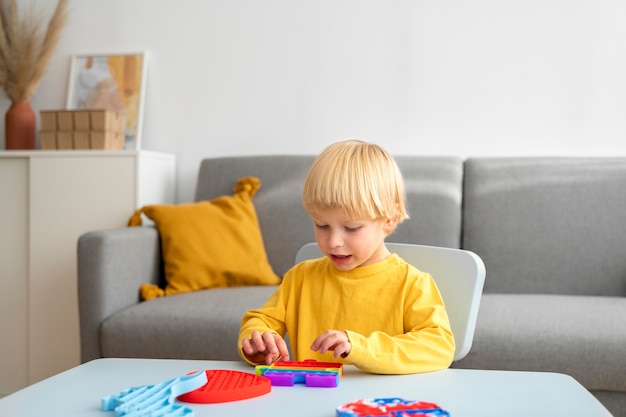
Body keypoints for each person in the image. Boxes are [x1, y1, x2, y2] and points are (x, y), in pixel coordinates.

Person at [238, 139, 455, 374]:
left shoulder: (412, 284)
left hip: (382, 407)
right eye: (321, 225)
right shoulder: (300, 278)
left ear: (389, 219)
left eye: (351, 228)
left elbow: (439, 346)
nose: (333, 242)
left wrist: (359, 347)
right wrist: (258, 341)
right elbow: (260, 321)